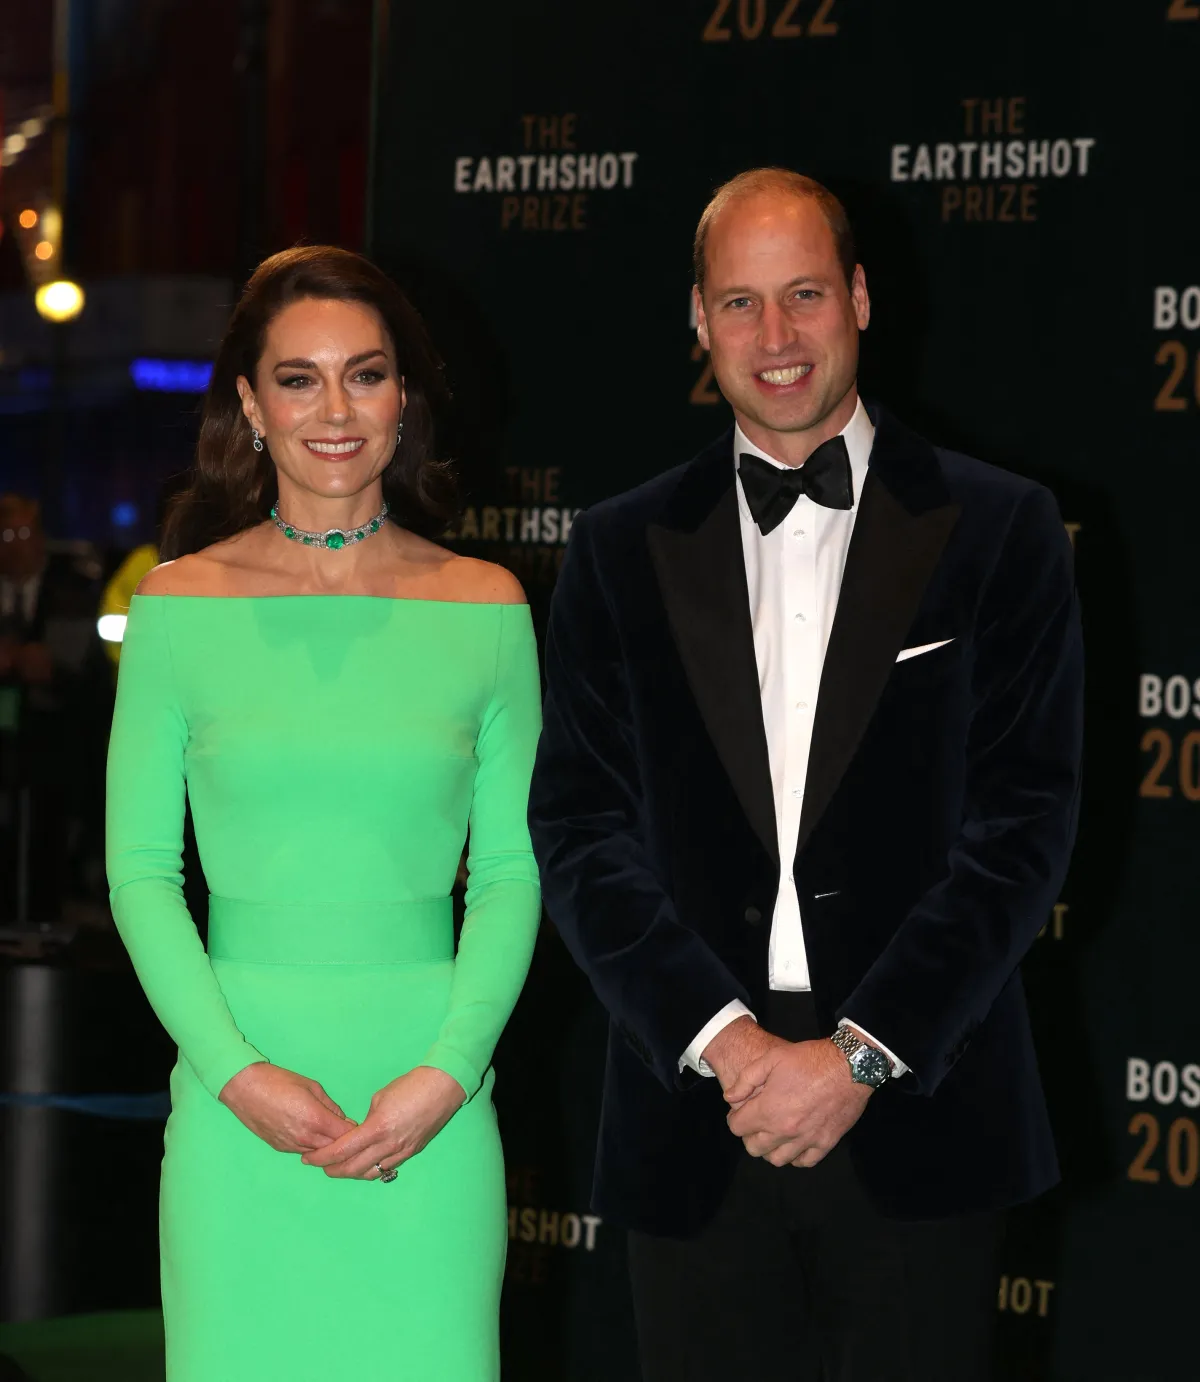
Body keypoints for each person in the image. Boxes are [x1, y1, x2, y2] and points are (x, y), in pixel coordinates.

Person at [528, 168, 1083, 1382]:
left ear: (862, 298)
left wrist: (859, 1054)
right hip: (697, 1112)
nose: (774, 335)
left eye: (805, 295)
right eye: (740, 302)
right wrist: (730, 1044)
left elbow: (1024, 824)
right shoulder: (617, 547)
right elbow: (578, 826)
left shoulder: (1002, 528)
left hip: (922, 1109)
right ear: (698, 318)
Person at [106, 245, 542, 1381]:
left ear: (405, 397)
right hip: (234, 1101)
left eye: (366, 374)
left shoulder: (488, 606)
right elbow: (141, 870)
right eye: (298, 379)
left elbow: (511, 870)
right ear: (251, 406)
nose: (335, 410)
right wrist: (235, 1073)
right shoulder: (176, 604)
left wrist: (448, 1073)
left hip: (433, 1101)